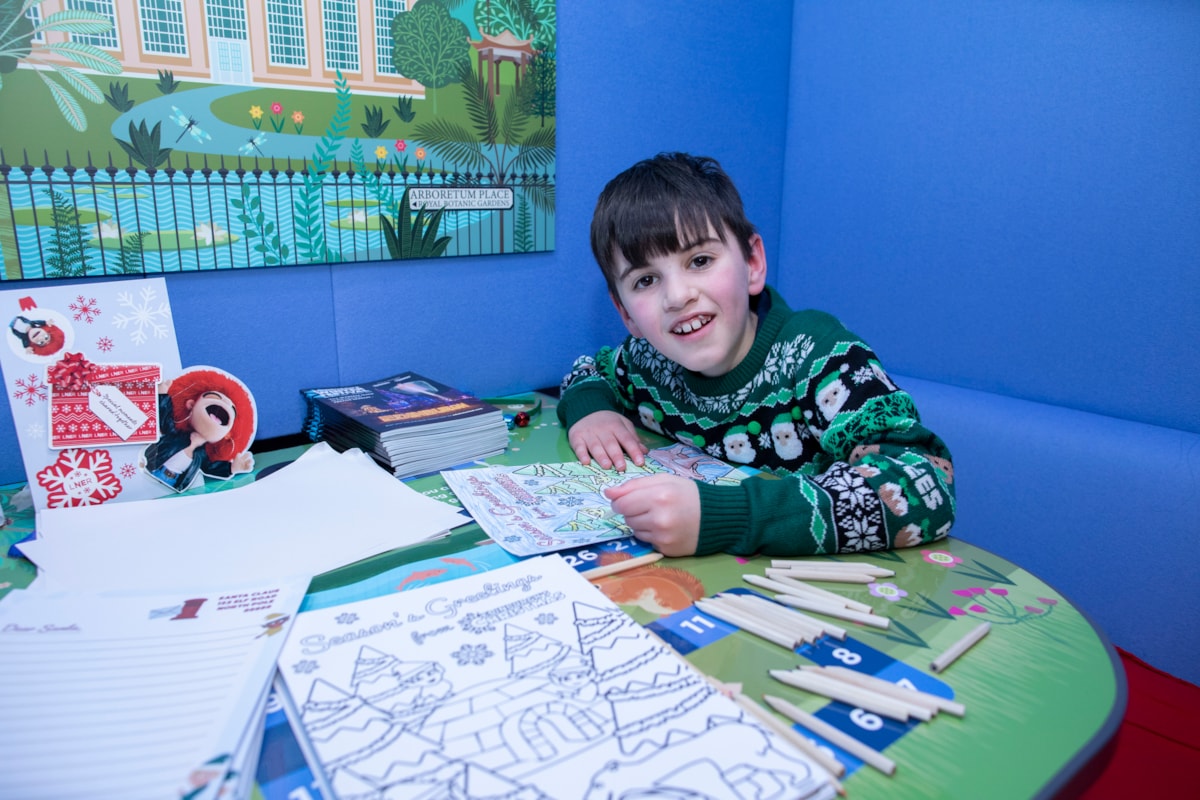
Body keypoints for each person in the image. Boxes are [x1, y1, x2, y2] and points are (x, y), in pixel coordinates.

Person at [557, 152, 955, 557]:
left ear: (752, 263)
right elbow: (590, 371)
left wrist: (728, 516)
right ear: (626, 313)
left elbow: (925, 484)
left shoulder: (820, 357)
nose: (677, 296)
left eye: (700, 260)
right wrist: (591, 409)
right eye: (646, 280)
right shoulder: (647, 361)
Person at [143, 367, 256, 492]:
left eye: (231, 409)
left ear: (228, 434)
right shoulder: (176, 435)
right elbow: (165, 419)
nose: (224, 405)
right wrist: (162, 395)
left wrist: (232, 468)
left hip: (174, 484)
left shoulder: (201, 455)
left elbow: (210, 468)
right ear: (191, 405)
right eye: (214, 397)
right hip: (152, 472)